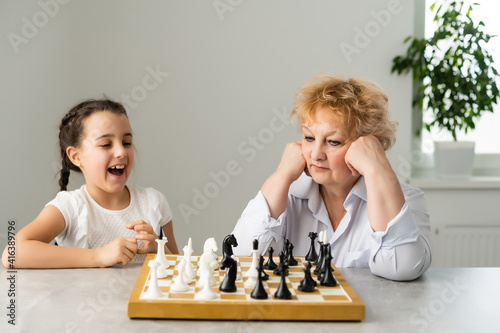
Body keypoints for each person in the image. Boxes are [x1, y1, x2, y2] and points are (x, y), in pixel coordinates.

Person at [232, 76, 431, 281]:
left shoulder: (407, 200)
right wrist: (281, 174)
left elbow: (402, 268)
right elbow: (241, 258)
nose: (316, 154)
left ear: (366, 147)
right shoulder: (286, 196)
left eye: (333, 142)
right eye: (309, 138)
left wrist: (377, 170)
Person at [1, 99, 178, 269]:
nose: (121, 152)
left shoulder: (154, 201)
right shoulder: (69, 207)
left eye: (126, 142)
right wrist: (98, 256)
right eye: (106, 144)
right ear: (76, 156)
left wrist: (159, 248)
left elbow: (180, 269)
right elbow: (13, 253)